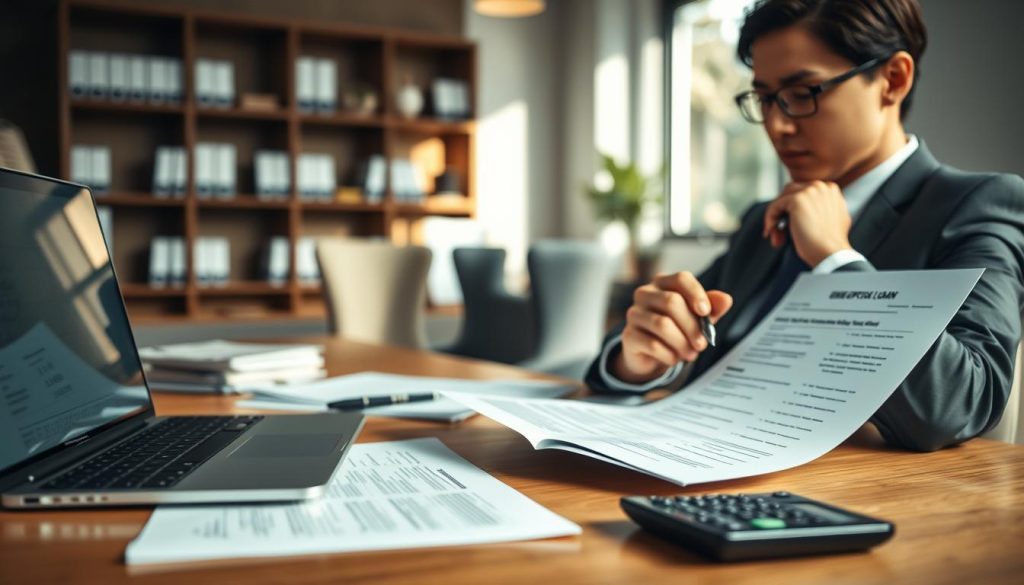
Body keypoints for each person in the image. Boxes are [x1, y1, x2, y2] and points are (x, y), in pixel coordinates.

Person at [585, 0, 1024, 452]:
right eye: (765, 98)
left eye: (804, 93)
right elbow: (662, 346)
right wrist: (640, 360)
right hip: (693, 458)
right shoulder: (765, 217)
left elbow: (961, 403)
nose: (777, 125)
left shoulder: (975, 204)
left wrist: (835, 259)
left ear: (893, 79)